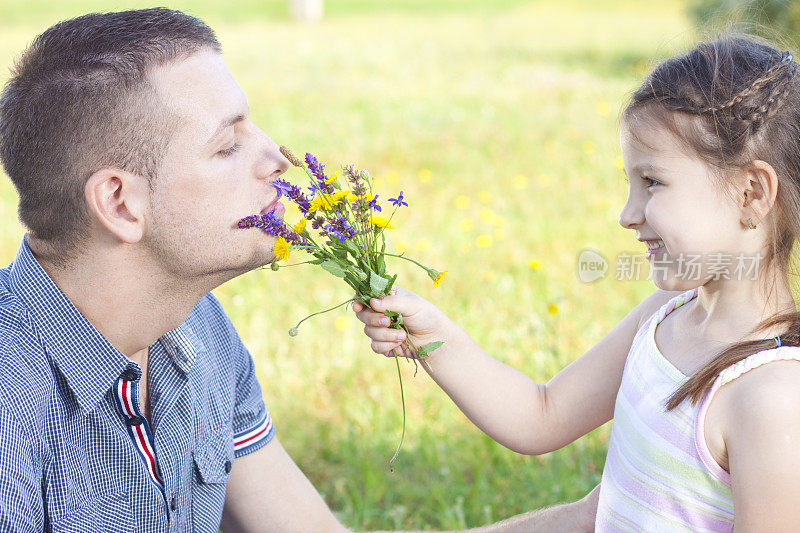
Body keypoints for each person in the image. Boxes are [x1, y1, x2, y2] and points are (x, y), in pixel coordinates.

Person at [0, 7, 598, 531]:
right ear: (120, 203)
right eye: (227, 145)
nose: (276, 157)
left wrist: (596, 518)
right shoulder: (13, 406)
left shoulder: (198, 332)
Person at [355, 32, 800, 531]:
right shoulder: (666, 315)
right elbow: (540, 414)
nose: (627, 214)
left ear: (752, 192)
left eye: (652, 182)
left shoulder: (772, 399)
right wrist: (431, 336)